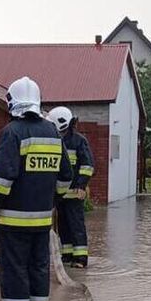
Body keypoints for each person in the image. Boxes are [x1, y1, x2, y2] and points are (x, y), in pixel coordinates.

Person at [0, 77, 74, 301]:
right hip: (42, 220)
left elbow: (1, 180)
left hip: (13, 221)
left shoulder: (11, 132)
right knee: (38, 268)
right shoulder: (53, 132)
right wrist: (53, 200)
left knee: (14, 269)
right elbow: (66, 177)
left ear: (12, 101)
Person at [47, 106, 95, 268]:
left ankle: (80, 258)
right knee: (63, 225)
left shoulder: (79, 141)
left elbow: (88, 165)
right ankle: (67, 254)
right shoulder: (54, 140)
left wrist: (81, 185)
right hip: (59, 194)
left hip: (75, 193)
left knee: (76, 224)